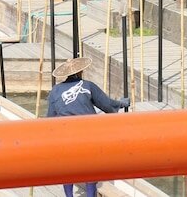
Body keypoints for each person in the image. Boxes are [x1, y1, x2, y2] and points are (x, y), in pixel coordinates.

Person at [47, 56, 129, 197]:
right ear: (80, 72)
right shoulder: (87, 86)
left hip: (65, 135)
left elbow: (50, 118)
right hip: (87, 134)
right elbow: (107, 105)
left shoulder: (55, 91)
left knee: (67, 168)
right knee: (89, 167)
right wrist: (121, 103)